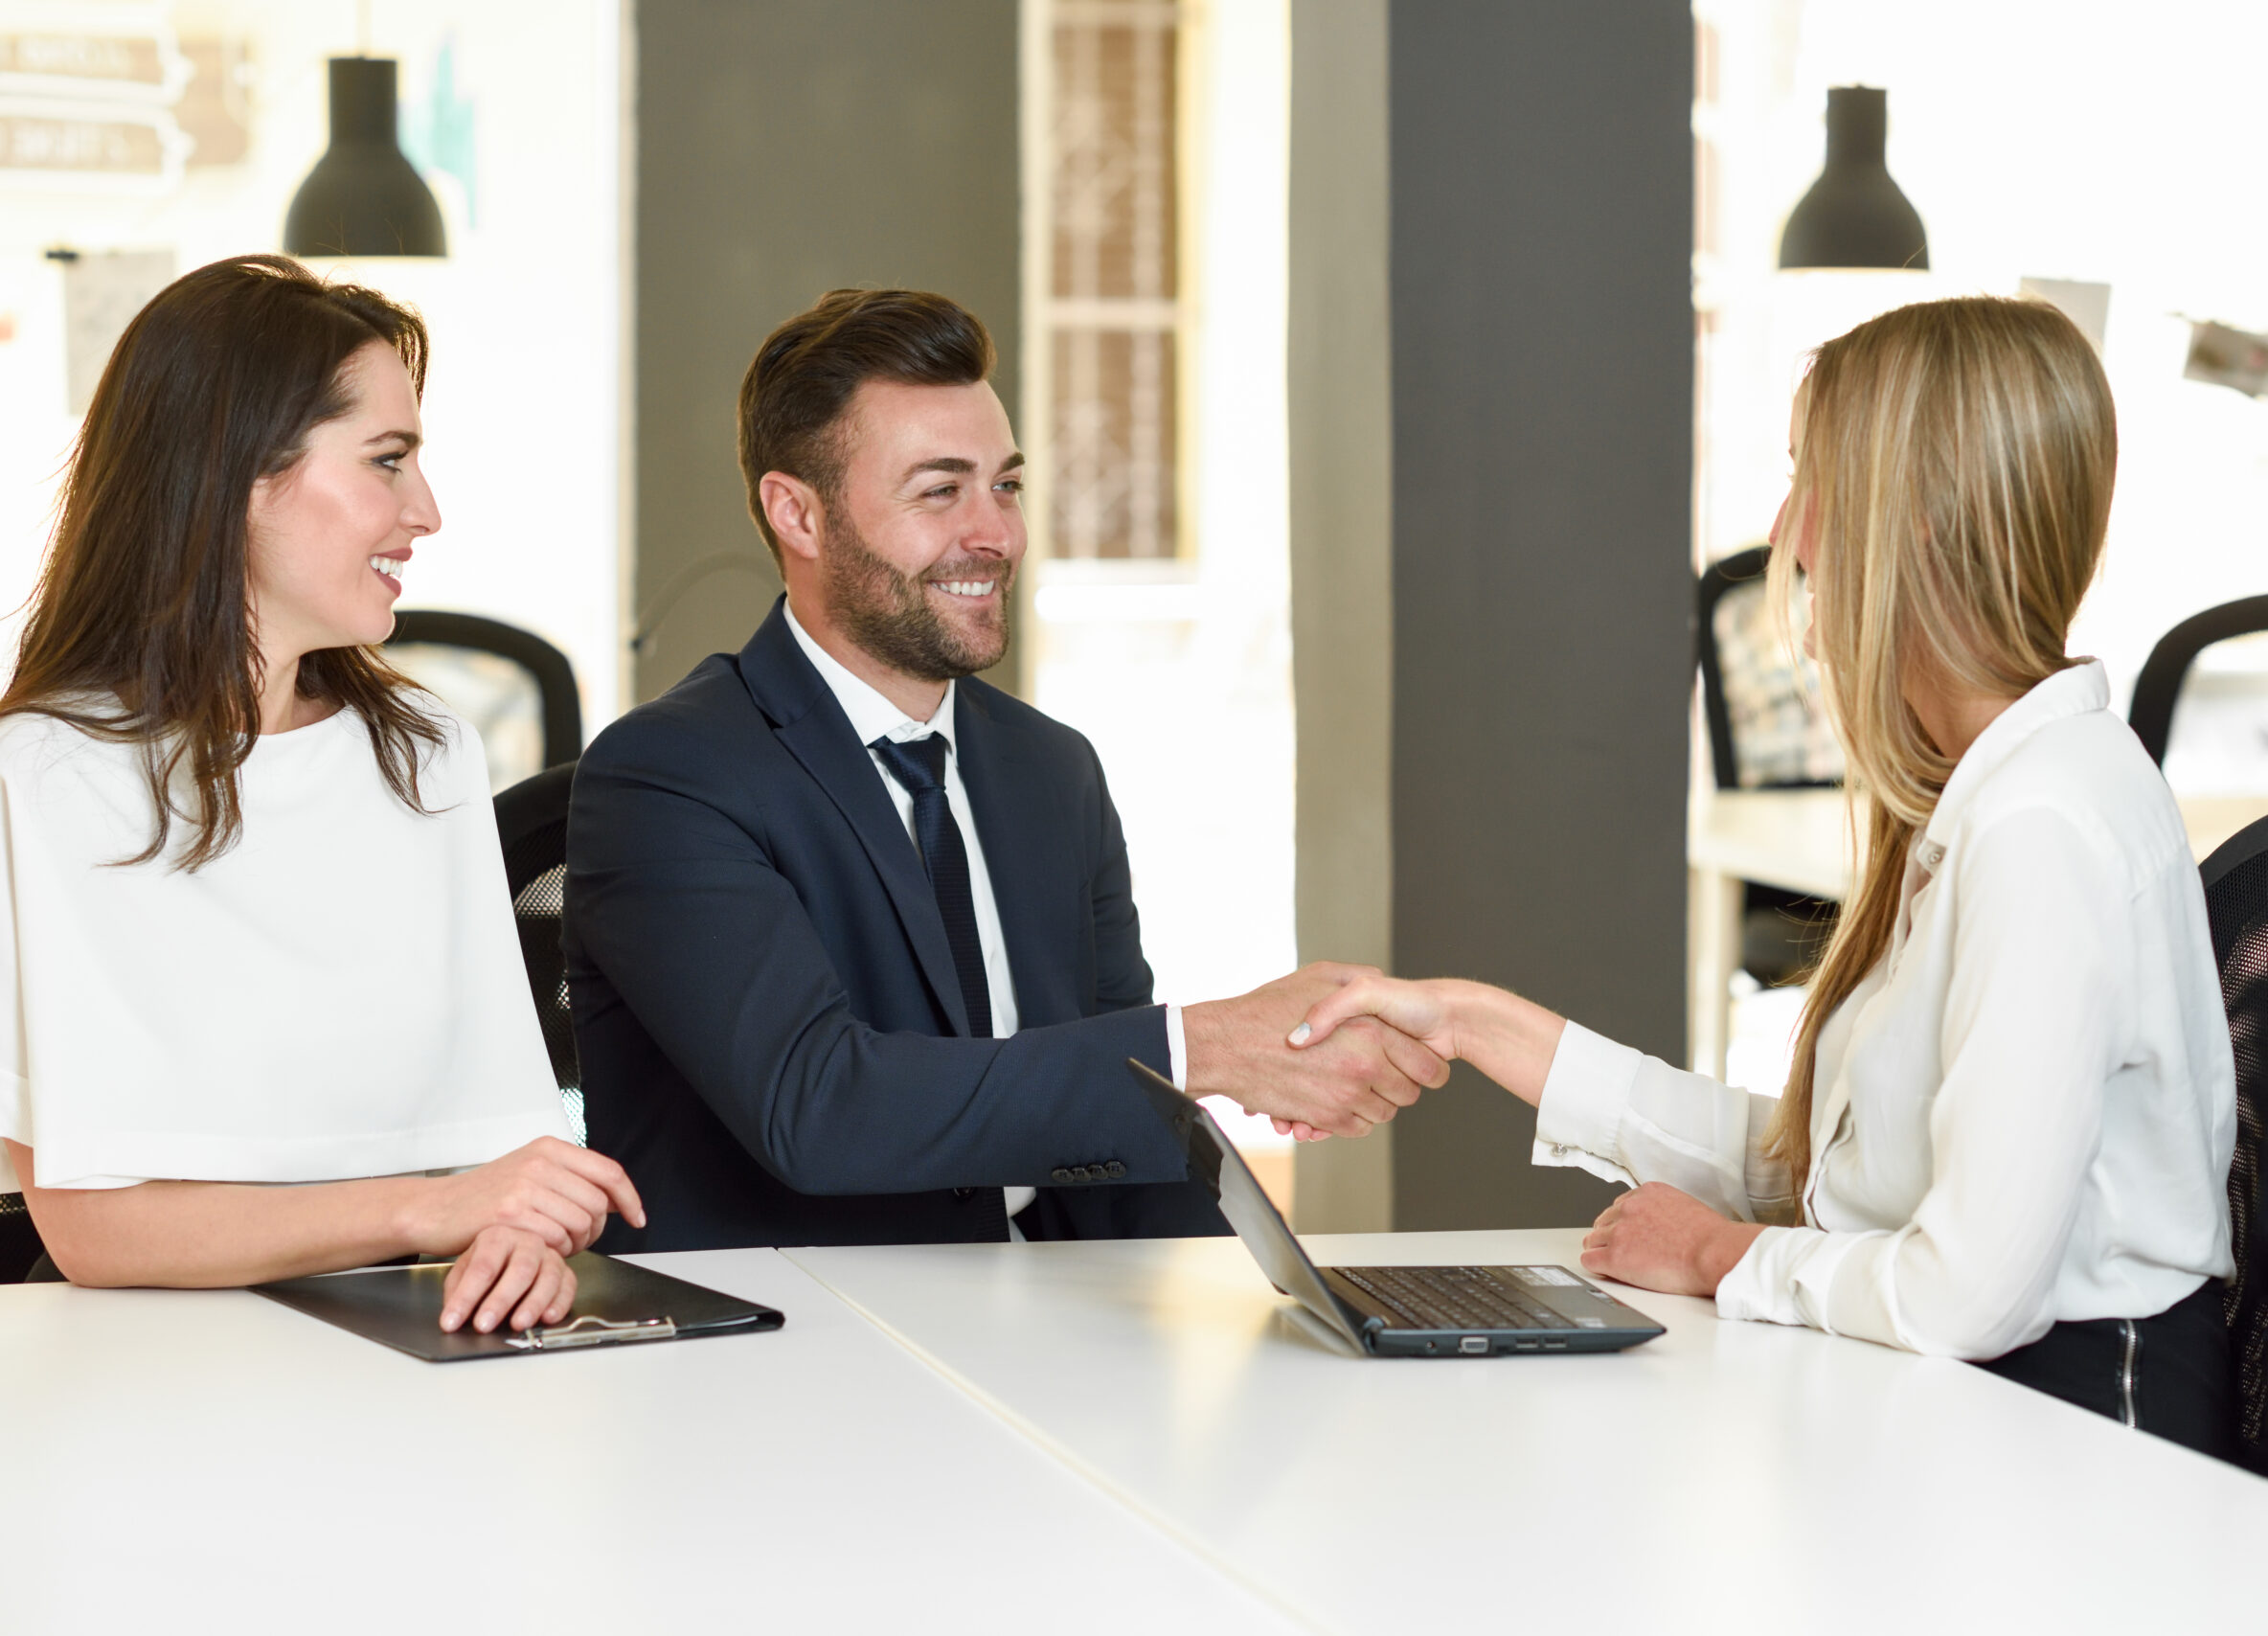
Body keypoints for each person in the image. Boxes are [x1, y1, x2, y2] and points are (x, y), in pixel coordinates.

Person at [1290, 296, 2237, 1457]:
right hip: (1984, 1412)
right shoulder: (1990, 792)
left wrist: (1714, 1254)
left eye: (1811, 480)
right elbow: (1829, 1176)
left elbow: (1969, 1293)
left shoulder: (2043, 823)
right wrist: (1475, 1023)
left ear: (1919, 519)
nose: (1786, 533)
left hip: (2084, 1445)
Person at [567, 287, 1445, 1252]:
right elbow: (817, 1107)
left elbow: (1132, 1121)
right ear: (798, 515)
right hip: (792, 1339)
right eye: (940, 491)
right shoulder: (669, 774)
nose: (996, 534)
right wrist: (1208, 1046)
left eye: (1007, 486)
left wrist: (1261, 1300)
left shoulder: (1050, 771)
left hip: (1041, 1313)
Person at [0, 255, 643, 1335]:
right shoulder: (35, 777)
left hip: (412, 1338)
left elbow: (499, 1147)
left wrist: (515, 1240)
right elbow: (98, 1233)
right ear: (235, 476)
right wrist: (436, 1211)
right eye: (386, 461)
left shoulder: (425, 752)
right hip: (144, 1367)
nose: (425, 510)